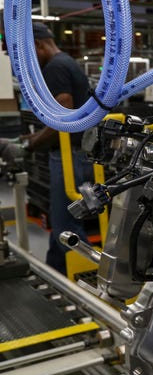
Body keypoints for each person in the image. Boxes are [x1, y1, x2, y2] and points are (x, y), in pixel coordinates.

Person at [3, 23, 94, 275]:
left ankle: (92, 285)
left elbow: (60, 120)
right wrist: (27, 138)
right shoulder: (67, 62)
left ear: (37, 45)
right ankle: (56, 272)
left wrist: (29, 144)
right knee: (61, 222)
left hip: (68, 157)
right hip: (75, 155)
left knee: (67, 226)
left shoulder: (55, 67)